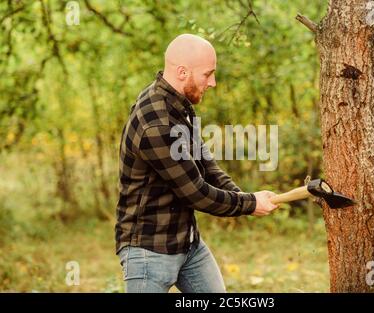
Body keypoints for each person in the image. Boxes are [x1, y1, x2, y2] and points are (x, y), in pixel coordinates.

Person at [115, 33, 278, 293]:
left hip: (187, 244)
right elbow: (196, 193)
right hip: (148, 250)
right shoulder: (156, 122)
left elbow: (205, 162)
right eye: (207, 74)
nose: (213, 82)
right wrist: (249, 204)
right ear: (182, 72)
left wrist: (242, 196)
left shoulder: (178, 105)